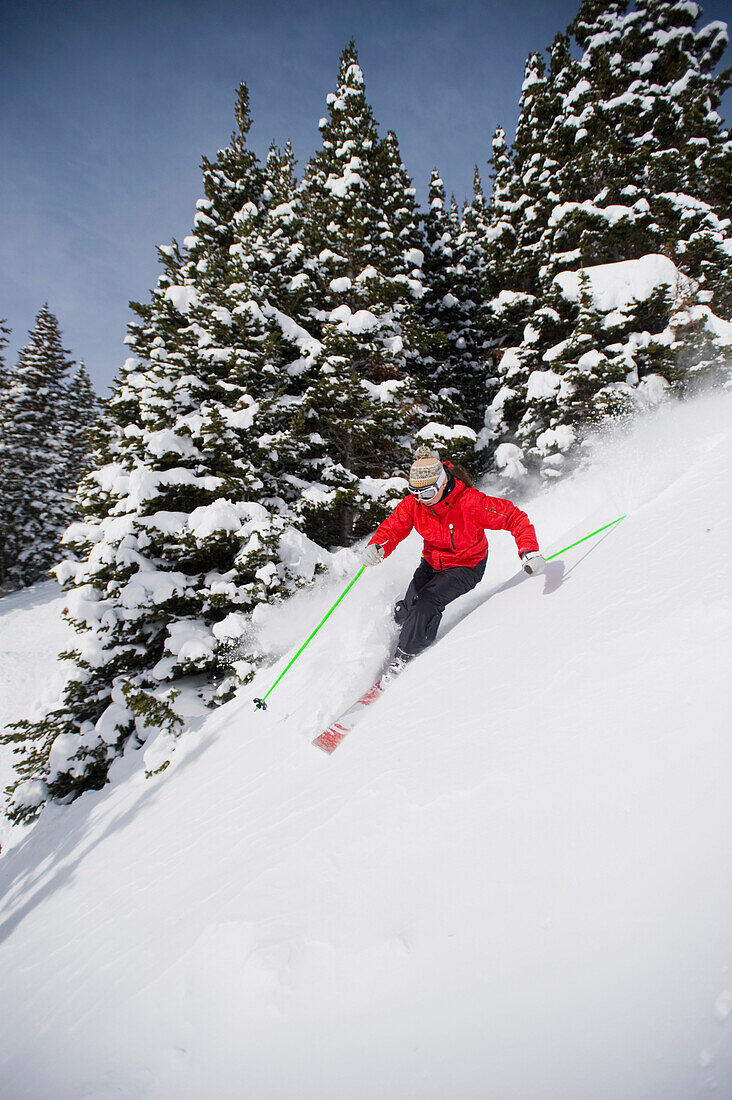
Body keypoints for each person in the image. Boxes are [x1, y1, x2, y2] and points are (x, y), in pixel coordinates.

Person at [361, 444, 546, 677]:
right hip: (431, 562)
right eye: (415, 493)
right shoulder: (415, 504)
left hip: (466, 565)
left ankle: (405, 655)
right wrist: (377, 547)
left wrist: (528, 551)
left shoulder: (471, 503)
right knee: (408, 610)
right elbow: (392, 529)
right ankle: (401, 625)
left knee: (426, 604)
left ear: (442, 484)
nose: (422, 500)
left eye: (427, 493)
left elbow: (514, 517)